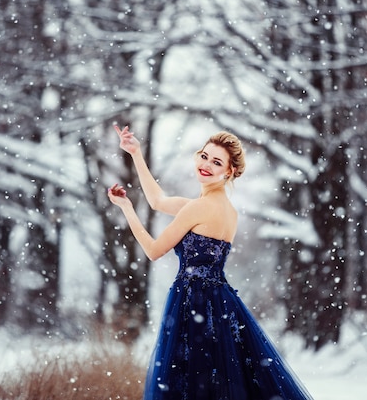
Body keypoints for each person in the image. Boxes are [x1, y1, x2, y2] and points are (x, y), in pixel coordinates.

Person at [108, 125, 314, 400]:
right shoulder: (224, 209)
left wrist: (127, 209)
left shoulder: (200, 207)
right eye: (204, 156)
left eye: (216, 162)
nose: (206, 165)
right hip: (219, 300)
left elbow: (154, 250)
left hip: (193, 301)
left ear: (229, 172)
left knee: (191, 386)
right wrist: (136, 153)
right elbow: (158, 201)